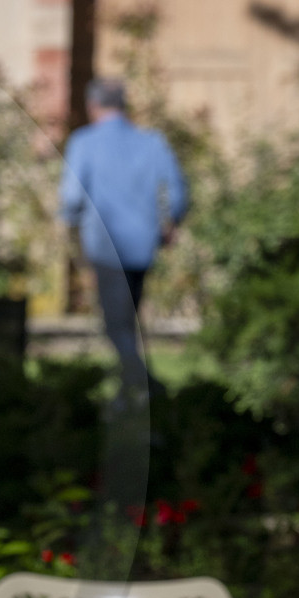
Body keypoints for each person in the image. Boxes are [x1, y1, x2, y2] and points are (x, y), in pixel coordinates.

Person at [58, 76, 188, 379]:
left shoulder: (83, 142)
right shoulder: (152, 142)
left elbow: (72, 198)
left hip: (106, 247)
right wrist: (171, 223)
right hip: (143, 246)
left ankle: (145, 383)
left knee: (116, 325)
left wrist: (68, 224)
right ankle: (129, 394)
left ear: (93, 106)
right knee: (128, 320)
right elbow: (178, 192)